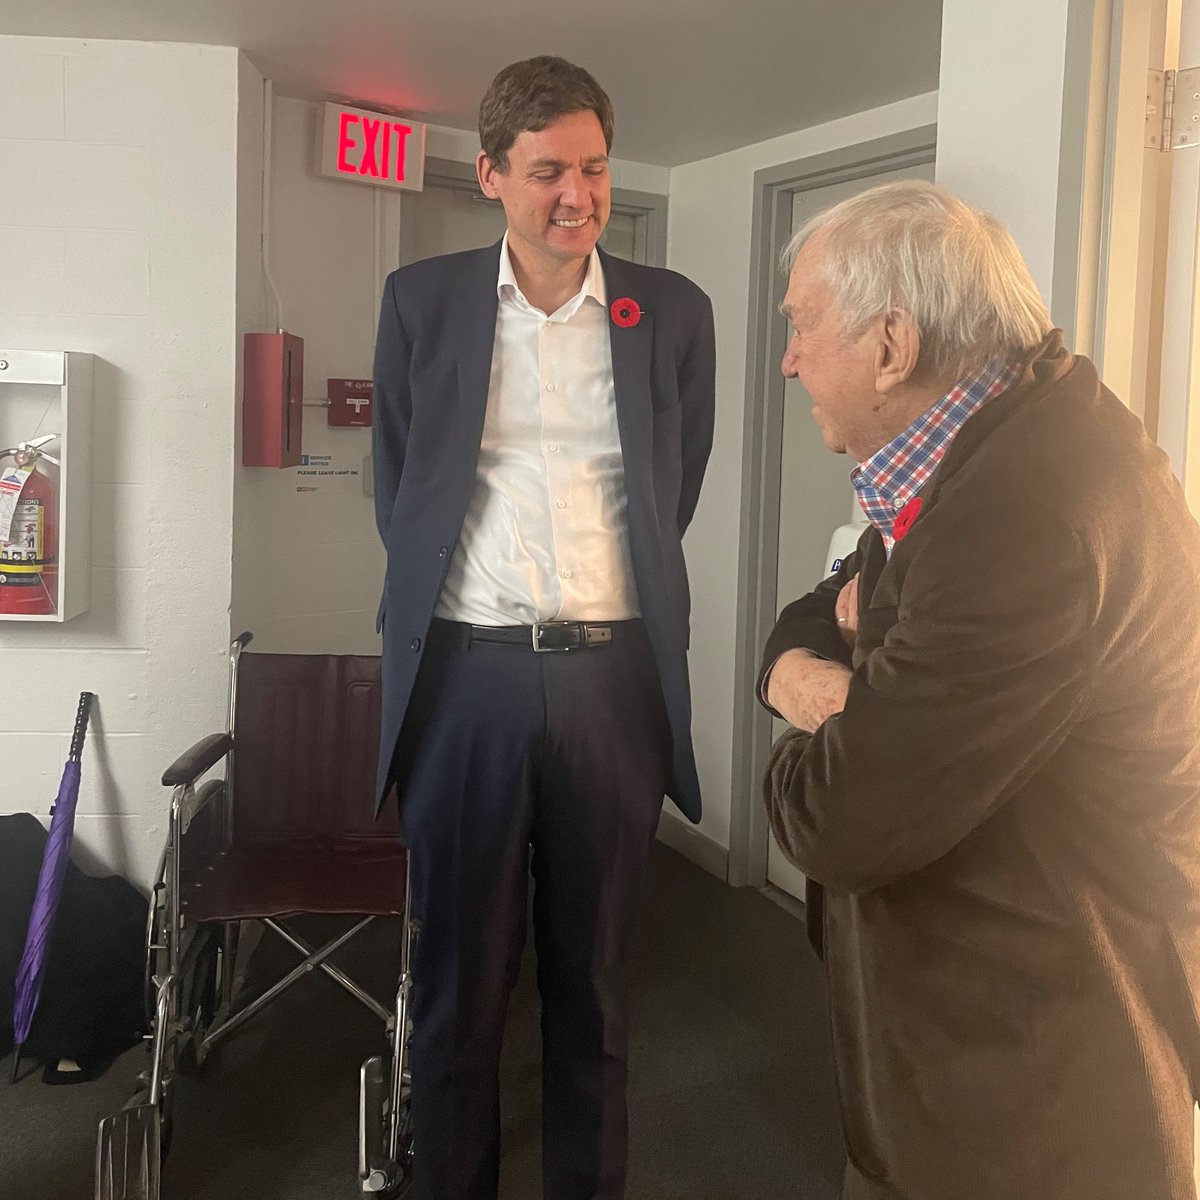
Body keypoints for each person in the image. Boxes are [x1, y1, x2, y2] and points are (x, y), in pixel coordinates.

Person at [758, 179, 1200, 1200]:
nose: (789, 361)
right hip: (982, 1049)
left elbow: (837, 816)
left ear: (892, 345)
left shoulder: (1027, 515)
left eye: (802, 327)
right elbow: (815, 614)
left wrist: (821, 699)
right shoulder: (985, 449)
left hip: (1030, 1098)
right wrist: (827, 668)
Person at [371, 55, 715, 1200]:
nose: (579, 194)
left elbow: (676, 491)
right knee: (459, 988)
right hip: (470, 679)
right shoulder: (423, 303)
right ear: (491, 176)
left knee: (598, 988)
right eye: (548, 171)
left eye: (597, 167)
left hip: (613, 680)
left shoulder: (668, 311)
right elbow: (405, 492)